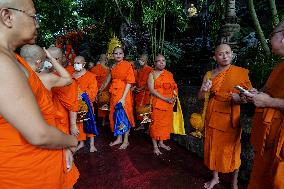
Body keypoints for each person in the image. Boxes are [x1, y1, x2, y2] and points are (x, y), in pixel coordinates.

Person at [0, 1, 78, 188]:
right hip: (25, 172)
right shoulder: (2, 63)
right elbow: (39, 134)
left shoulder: (13, 58)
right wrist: (71, 141)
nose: (38, 24)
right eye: (33, 16)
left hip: (44, 162)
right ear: (7, 17)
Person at [198, 44, 252, 189]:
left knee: (233, 150)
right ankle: (215, 177)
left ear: (232, 54)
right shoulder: (209, 75)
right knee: (213, 148)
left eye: (227, 53)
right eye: (221, 54)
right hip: (213, 115)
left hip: (231, 119)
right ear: (215, 57)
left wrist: (240, 98)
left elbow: (248, 98)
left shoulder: (240, 73)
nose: (225, 56)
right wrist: (204, 90)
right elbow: (201, 97)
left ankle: (234, 182)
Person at [246, 21, 284, 189]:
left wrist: (268, 102)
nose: (270, 40)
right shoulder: (280, 66)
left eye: (272, 35)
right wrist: (257, 94)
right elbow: (269, 90)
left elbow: (270, 98)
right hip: (268, 137)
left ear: (283, 38)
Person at [47, 46, 80, 189]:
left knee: (64, 156)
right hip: (47, 122)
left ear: (59, 59)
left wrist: (73, 125)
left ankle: (67, 184)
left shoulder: (65, 78)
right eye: (47, 58)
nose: (48, 61)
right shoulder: (42, 75)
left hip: (61, 122)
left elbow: (72, 104)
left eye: (52, 59)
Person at [99, 47, 135, 150]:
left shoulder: (127, 65)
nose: (118, 55)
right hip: (114, 94)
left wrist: (123, 98)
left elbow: (129, 82)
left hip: (124, 94)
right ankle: (119, 138)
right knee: (116, 116)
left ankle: (126, 140)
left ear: (123, 55)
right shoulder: (113, 66)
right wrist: (100, 90)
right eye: (116, 53)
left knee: (125, 116)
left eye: (120, 53)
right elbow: (108, 80)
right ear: (113, 55)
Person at [147, 54, 177, 156]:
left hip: (168, 103)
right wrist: (165, 99)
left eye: (163, 60)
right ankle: (155, 146)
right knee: (156, 124)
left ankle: (161, 143)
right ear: (154, 63)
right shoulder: (152, 74)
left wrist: (174, 96)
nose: (161, 62)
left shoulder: (169, 74)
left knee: (165, 124)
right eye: (158, 61)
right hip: (157, 103)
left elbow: (174, 87)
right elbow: (151, 90)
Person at [73, 56, 98, 152]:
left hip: (87, 104)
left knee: (90, 122)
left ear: (84, 64)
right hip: (76, 104)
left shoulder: (91, 76)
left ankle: (92, 145)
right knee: (78, 123)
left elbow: (93, 91)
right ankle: (81, 143)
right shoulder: (72, 75)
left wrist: (82, 95)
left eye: (78, 63)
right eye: (75, 63)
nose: (76, 65)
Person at [90, 54, 110, 126]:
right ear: (106, 60)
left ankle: (94, 121)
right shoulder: (108, 69)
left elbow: (91, 81)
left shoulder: (94, 69)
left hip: (95, 90)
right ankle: (103, 122)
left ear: (99, 59)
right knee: (104, 106)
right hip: (105, 91)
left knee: (94, 106)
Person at [134, 54, 153, 130]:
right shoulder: (140, 70)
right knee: (139, 109)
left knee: (146, 109)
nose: (140, 60)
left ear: (146, 60)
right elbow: (137, 81)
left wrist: (141, 88)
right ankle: (142, 125)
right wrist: (136, 87)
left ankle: (149, 128)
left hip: (146, 93)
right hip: (139, 93)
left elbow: (150, 83)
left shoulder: (150, 70)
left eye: (142, 59)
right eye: (140, 59)